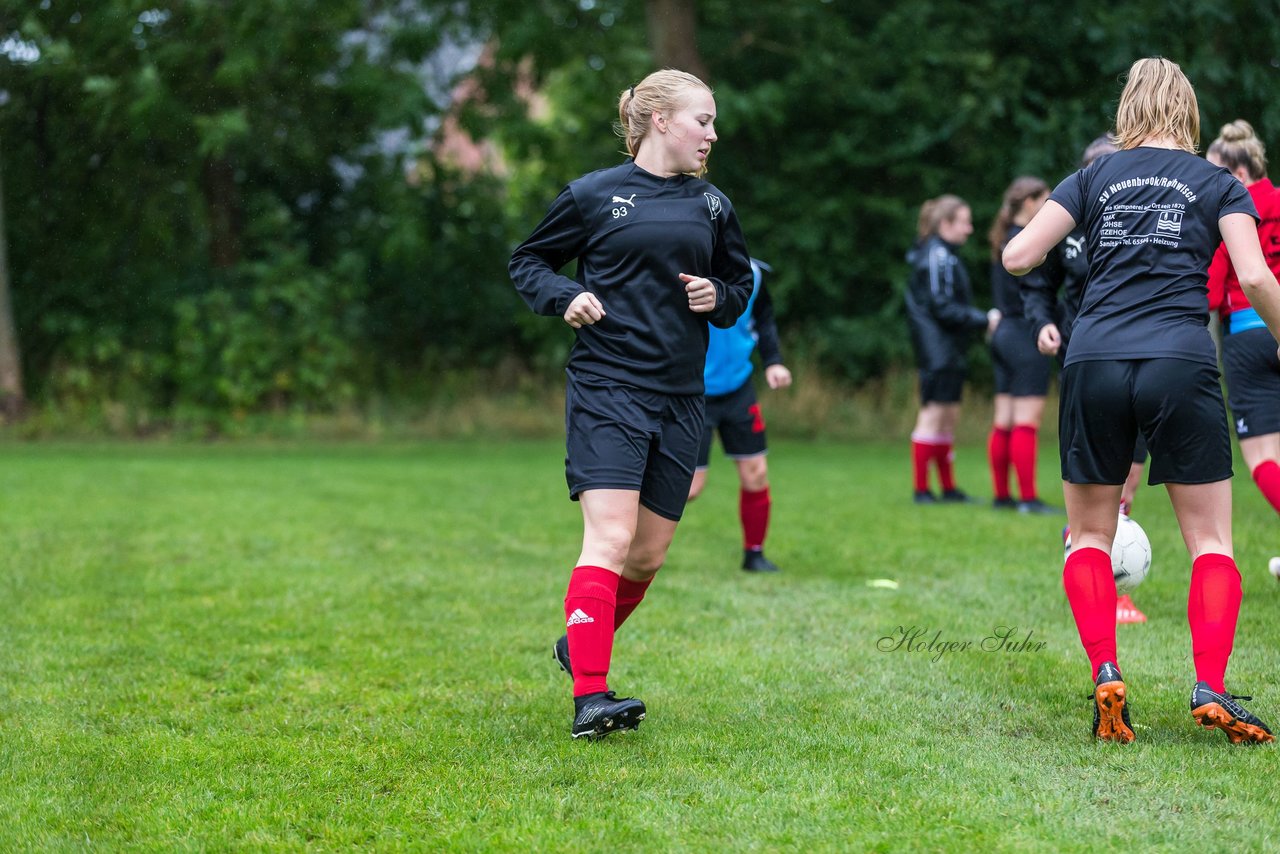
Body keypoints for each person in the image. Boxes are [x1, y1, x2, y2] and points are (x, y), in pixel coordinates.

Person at [1004, 57, 1280, 745]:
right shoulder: (1218, 181)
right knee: (1212, 542)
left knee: (1090, 536)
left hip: (1093, 357)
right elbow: (1252, 273)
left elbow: (1016, 257)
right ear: (1188, 110)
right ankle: (1210, 686)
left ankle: (1106, 672)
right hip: (1179, 359)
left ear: (1127, 108)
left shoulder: (1093, 175)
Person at [508, 69, 753, 740]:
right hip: (608, 387)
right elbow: (528, 261)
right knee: (610, 539)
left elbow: (737, 285)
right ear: (661, 122)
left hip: (682, 398)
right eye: (702, 119)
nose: (712, 133)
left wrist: (718, 298)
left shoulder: (712, 206)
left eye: (713, 121)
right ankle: (591, 697)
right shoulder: (592, 195)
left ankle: (578, 645)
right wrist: (566, 297)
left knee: (646, 558)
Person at [1024, 136, 1151, 625]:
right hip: (1084, 361)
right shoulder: (1066, 225)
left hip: (1142, 359)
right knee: (1096, 481)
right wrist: (1042, 323)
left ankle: (1102, 565)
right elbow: (1035, 280)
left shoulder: (1143, 222)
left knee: (1129, 480)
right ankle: (1108, 592)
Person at [1203, 120, 1280, 579]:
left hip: (1249, 334)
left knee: (1262, 458)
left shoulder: (1233, 209)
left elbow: (1212, 292)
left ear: (1236, 173)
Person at [687, 258, 793, 573]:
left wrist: (774, 361)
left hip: (738, 388)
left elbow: (764, 318)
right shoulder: (684, 267)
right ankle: (625, 540)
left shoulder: (754, 274)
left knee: (756, 472)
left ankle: (754, 554)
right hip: (692, 391)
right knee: (690, 488)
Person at [905, 195, 1001, 504]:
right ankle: (922, 490)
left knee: (947, 417)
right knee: (932, 415)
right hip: (936, 349)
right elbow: (941, 306)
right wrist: (983, 318)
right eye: (964, 221)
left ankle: (947, 488)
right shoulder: (937, 256)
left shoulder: (944, 254)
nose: (970, 228)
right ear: (945, 224)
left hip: (948, 348)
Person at [986, 176, 1059, 514]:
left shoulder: (1003, 239)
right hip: (1024, 334)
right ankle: (1028, 499)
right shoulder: (1027, 242)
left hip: (1002, 334)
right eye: (1043, 201)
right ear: (1028, 202)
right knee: (1027, 421)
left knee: (1005, 419)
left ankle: (1003, 496)